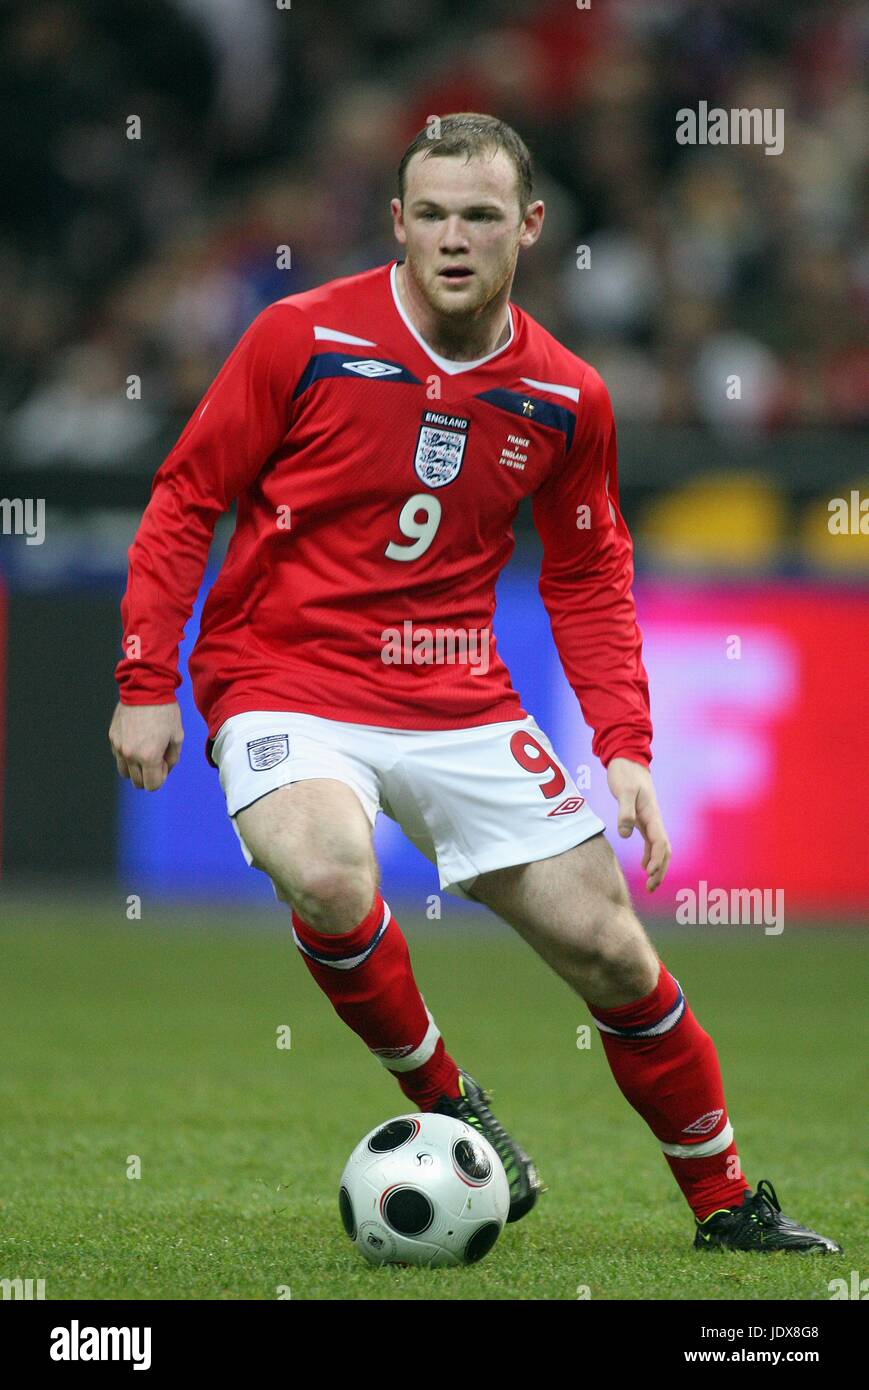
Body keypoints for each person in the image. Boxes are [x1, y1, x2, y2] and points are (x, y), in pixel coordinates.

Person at [110, 113, 840, 1253]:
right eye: (433, 215)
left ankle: (725, 1204)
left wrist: (625, 743)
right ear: (398, 222)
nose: (454, 238)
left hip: (458, 695)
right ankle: (452, 1103)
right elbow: (183, 497)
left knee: (609, 946)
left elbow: (591, 573)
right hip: (284, 677)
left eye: (481, 216)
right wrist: (148, 673)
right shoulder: (299, 337)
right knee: (329, 872)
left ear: (529, 227)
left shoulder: (563, 395)